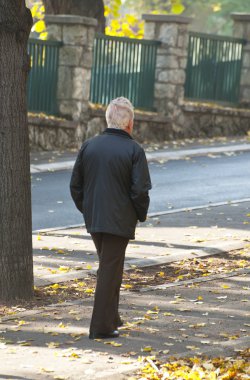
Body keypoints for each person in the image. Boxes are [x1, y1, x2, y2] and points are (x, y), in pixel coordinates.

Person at [70, 97, 152, 340]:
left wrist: (87, 210)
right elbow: (140, 190)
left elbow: (76, 186)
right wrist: (140, 215)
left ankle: (112, 317)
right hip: (119, 220)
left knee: (110, 268)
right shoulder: (134, 150)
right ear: (129, 124)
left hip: (95, 219)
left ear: (108, 120)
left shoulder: (89, 146)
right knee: (109, 270)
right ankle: (101, 327)